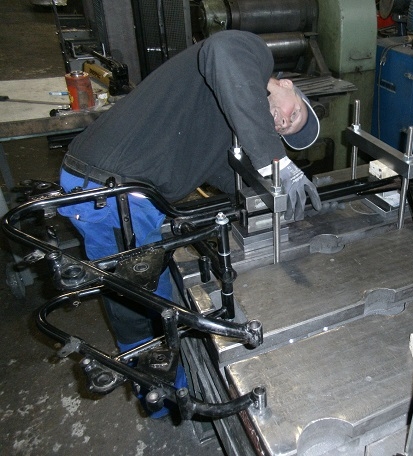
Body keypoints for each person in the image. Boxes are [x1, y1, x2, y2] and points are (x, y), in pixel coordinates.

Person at [57, 30, 322, 415]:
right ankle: (165, 401)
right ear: (287, 86)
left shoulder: (225, 116)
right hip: (109, 191)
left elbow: (220, 171)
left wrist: (270, 195)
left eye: (284, 128)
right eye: (292, 114)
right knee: (145, 308)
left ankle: (165, 388)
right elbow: (221, 49)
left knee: (152, 298)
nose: (280, 121)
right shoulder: (250, 53)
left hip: (126, 193)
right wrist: (274, 159)